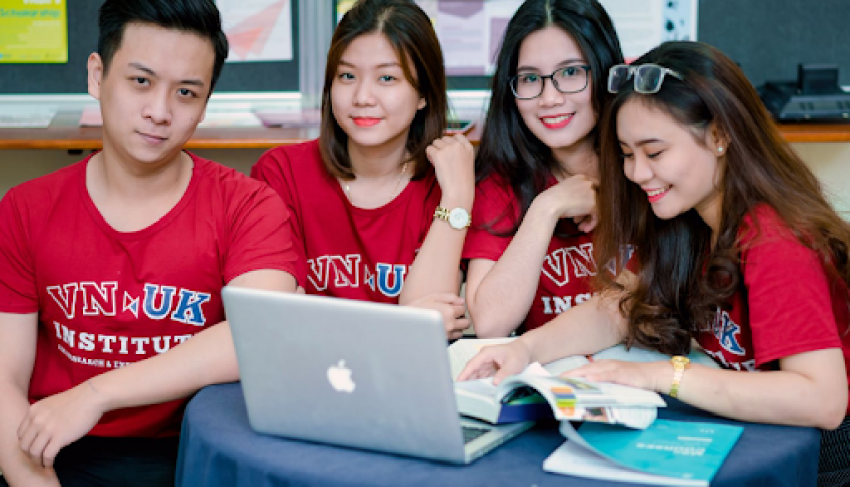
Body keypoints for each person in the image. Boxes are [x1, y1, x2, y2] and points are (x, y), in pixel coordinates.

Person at [461, 41, 850, 485]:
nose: (637, 173)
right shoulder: (688, 221)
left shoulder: (774, 242)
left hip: (817, 457)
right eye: (627, 154)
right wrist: (525, 349)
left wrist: (662, 375)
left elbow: (822, 400)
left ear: (720, 136)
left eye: (655, 152)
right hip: (759, 431)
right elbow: (620, 307)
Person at [0, 1, 300, 485]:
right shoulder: (24, 208)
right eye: (141, 81)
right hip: (51, 448)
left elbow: (259, 334)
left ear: (205, 103)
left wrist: (96, 393)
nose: (159, 112)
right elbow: (3, 381)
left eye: (186, 93)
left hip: (191, 451)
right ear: (97, 75)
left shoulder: (247, 205)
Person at [251, 0, 474, 339]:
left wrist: (457, 198)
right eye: (347, 76)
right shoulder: (282, 173)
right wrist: (401, 324)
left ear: (424, 94)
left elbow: (430, 334)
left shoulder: (447, 182)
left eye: (387, 78)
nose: (362, 97)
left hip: (408, 369)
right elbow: (278, 322)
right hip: (310, 366)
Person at [462, 0, 624, 337]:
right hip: (545, 369)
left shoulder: (645, 170)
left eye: (571, 72)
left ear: (605, 70)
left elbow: (656, 309)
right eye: (530, 78)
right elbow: (490, 323)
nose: (549, 98)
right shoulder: (501, 181)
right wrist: (547, 207)